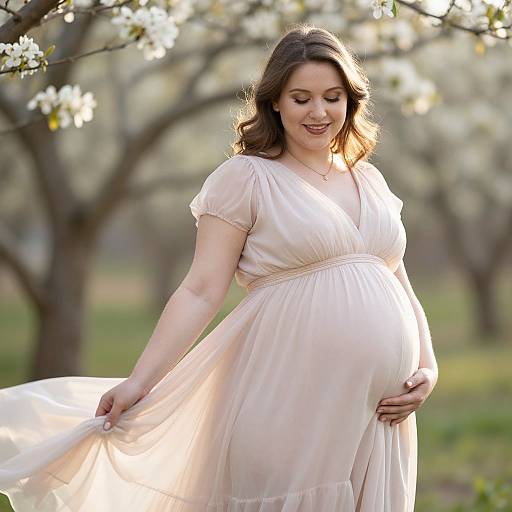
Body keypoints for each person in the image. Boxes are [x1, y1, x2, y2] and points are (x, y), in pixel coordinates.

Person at [0, 24, 438, 511]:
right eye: (301, 98)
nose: (319, 112)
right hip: (288, 399)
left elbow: (398, 281)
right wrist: (140, 381)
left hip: (379, 418)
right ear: (274, 102)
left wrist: (427, 365)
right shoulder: (245, 178)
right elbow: (201, 289)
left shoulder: (369, 178)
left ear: (350, 101)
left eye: (332, 97)